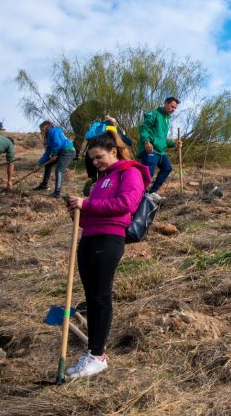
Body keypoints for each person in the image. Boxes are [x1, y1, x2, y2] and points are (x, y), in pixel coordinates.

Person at [62, 133, 150, 380]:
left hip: (109, 239)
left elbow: (126, 204)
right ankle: (92, 352)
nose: (96, 162)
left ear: (114, 151)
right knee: (91, 298)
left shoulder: (130, 172)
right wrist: (77, 212)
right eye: (92, 159)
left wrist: (86, 204)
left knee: (100, 296)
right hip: (89, 239)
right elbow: (91, 216)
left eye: (99, 157)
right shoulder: (102, 180)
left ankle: (97, 356)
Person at [138, 97, 180, 197]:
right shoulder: (154, 114)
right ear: (165, 104)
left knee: (167, 167)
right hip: (150, 148)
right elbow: (143, 128)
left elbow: (162, 138)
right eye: (171, 106)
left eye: (175, 108)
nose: (173, 109)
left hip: (160, 151)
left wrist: (174, 144)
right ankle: (139, 194)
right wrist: (146, 141)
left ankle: (152, 192)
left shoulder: (167, 119)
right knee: (149, 172)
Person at [82, 116, 134, 195]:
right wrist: (124, 135)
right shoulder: (114, 128)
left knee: (96, 176)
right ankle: (101, 190)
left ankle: (92, 178)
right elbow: (128, 141)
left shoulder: (96, 126)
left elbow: (87, 136)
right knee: (104, 176)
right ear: (114, 123)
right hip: (104, 153)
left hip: (90, 152)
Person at [34, 121, 76, 198]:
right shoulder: (49, 138)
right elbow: (47, 152)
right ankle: (44, 185)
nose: (41, 131)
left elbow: (58, 144)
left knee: (59, 170)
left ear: (45, 127)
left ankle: (57, 193)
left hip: (68, 151)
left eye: (41, 129)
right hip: (61, 152)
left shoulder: (53, 131)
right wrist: (39, 164)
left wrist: (54, 154)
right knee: (48, 164)